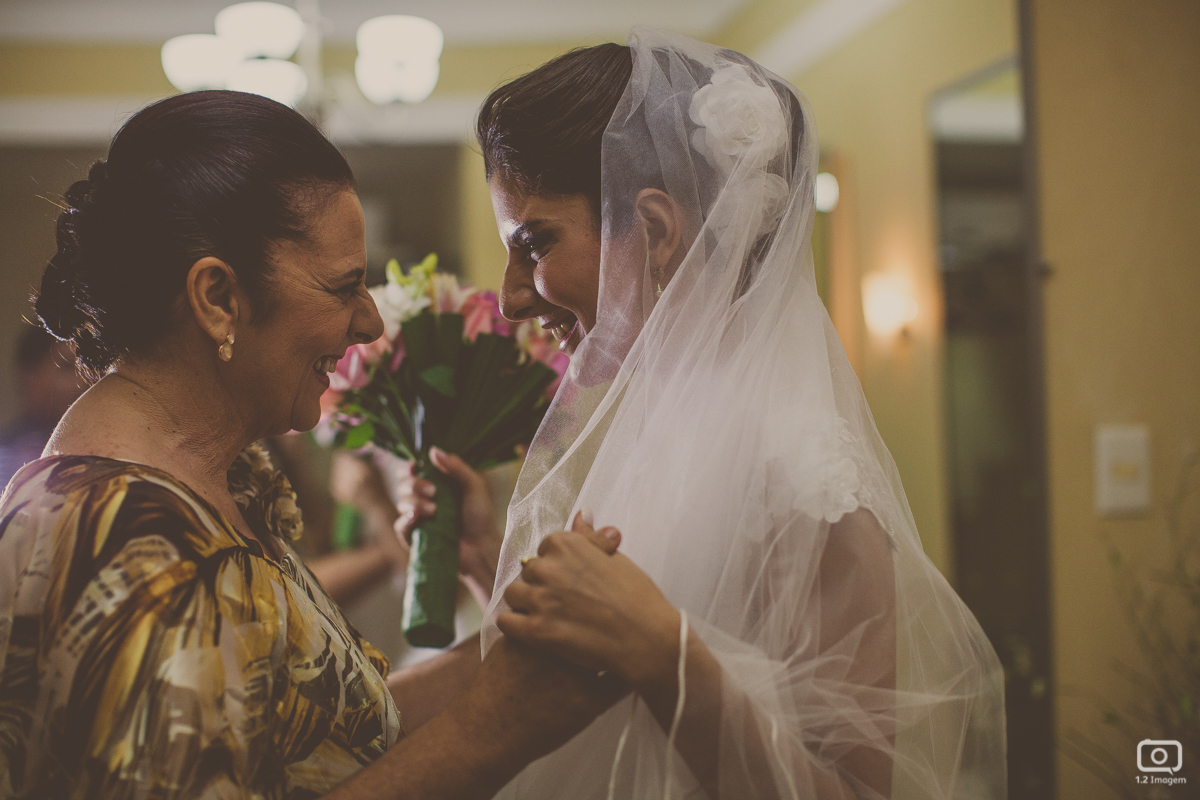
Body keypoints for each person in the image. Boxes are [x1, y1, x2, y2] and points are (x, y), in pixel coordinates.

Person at [403, 28, 1008, 799]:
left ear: (654, 231)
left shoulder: (805, 478)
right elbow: (600, 688)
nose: (513, 297)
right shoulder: (658, 422)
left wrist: (665, 654)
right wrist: (492, 560)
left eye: (534, 243)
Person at [0, 90, 628, 800]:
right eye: (342, 287)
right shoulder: (132, 544)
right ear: (217, 298)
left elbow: (330, 730)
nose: (369, 324)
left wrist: (522, 644)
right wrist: (495, 728)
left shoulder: (194, 485)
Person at [0, 324, 84, 487]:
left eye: (87, 370)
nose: (82, 382)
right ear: (32, 376)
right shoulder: (6, 454)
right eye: (68, 367)